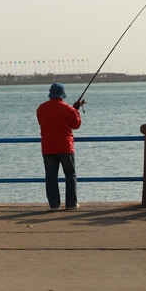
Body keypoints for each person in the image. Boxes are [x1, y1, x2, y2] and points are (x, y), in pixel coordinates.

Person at [36, 82, 84, 211]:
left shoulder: (41, 108)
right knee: (70, 175)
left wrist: (73, 110)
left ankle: (54, 205)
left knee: (51, 176)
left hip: (48, 147)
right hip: (65, 147)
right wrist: (75, 110)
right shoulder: (68, 109)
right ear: (62, 94)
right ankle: (71, 204)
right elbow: (76, 125)